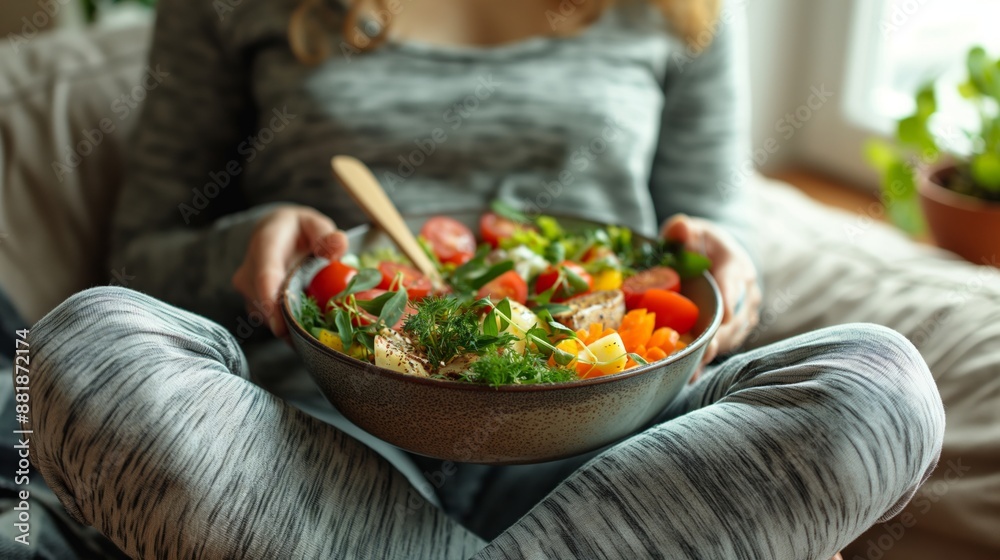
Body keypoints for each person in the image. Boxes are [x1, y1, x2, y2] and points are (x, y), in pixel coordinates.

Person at [20, 0, 944, 558]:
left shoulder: (674, 8)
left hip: (617, 447)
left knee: (882, 386)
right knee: (80, 343)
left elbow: (716, 249)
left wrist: (729, 273)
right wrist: (246, 244)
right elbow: (139, 258)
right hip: (305, 446)